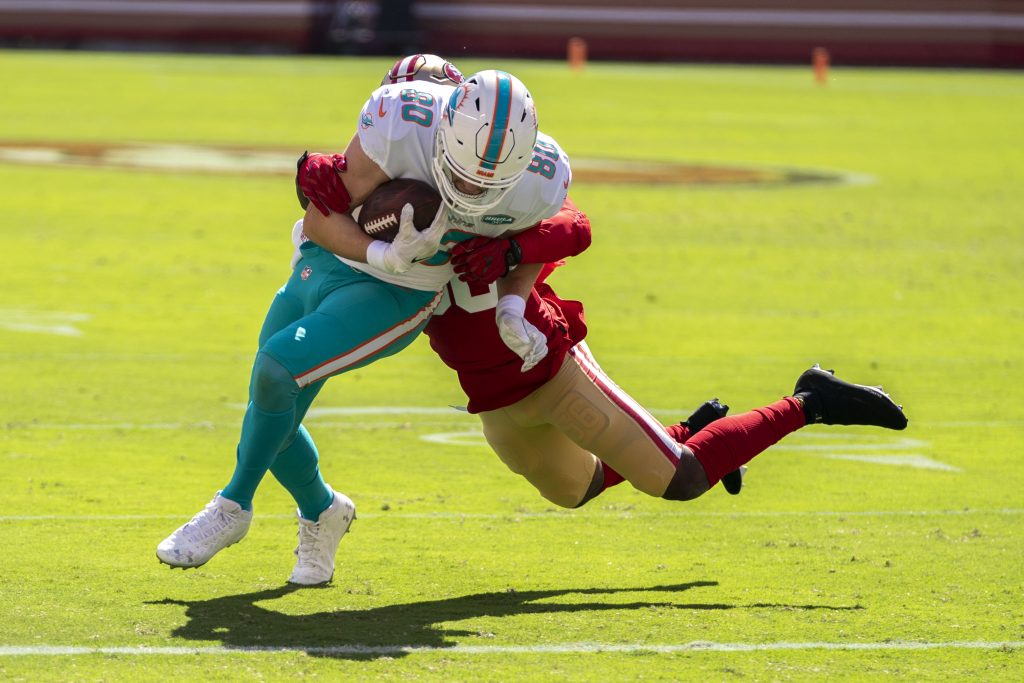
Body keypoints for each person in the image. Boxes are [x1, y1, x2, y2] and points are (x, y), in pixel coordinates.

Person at [301, 56, 909, 511]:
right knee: (578, 489)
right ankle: (689, 430)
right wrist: (318, 186)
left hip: (546, 365)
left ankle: (810, 401)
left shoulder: (520, 174)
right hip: (489, 393)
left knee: (680, 478)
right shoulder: (379, 175)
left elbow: (573, 227)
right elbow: (323, 214)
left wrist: (511, 254)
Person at [157, 66, 573, 585]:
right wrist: (381, 251)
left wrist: (512, 303)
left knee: (275, 370)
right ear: (442, 126)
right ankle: (323, 510)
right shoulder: (401, 121)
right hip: (334, 260)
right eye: (463, 172)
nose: (471, 187)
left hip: (400, 294)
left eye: (487, 180)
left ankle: (233, 505)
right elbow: (319, 218)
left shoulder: (543, 176)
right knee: (271, 413)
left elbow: (536, 240)